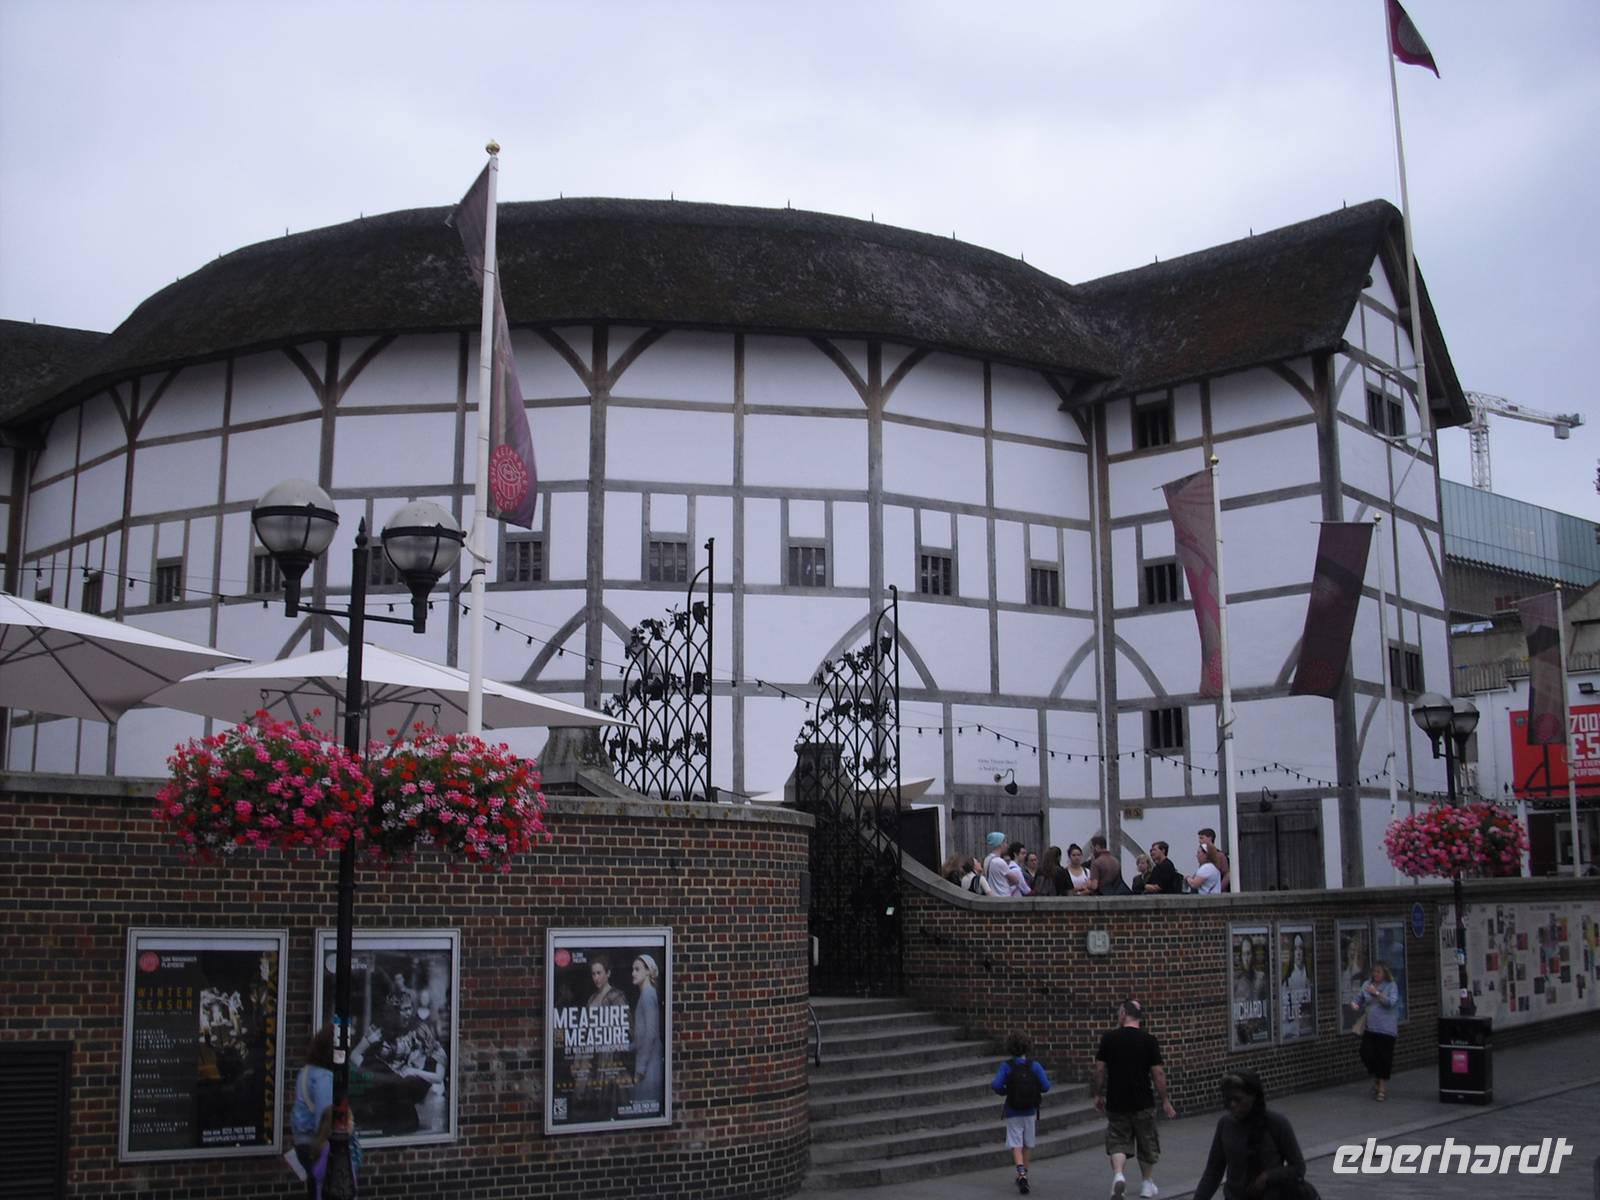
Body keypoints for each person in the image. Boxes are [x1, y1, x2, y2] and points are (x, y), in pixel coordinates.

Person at [1094, 998, 1176, 1199]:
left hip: (1116, 1100)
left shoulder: (1109, 1038)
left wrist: (1098, 1093)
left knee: (1118, 1142)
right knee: (1146, 1142)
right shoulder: (1149, 1040)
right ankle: (1147, 1184)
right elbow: (1158, 1074)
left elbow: (1100, 1069)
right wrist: (1165, 1100)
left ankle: (1119, 1176)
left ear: (1123, 1014)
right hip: (1143, 1101)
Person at [1192, 1070, 1306, 1200]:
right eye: (1228, 1100)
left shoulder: (1276, 1124)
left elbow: (1298, 1167)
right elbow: (1213, 1171)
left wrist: (1268, 1177)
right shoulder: (1225, 1125)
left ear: (1253, 1097)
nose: (1232, 1105)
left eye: (1238, 1100)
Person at [991, 1032, 1051, 1195]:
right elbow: (1046, 1086)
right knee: (1027, 1143)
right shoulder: (1034, 1065)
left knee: (1015, 1142)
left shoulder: (1007, 1066)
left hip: (1013, 1109)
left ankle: (1021, 1174)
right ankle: (1024, 1174)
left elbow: (996, 1085)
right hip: (1030, 1110)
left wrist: (1005, 1091)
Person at [290, 1024, 336, 1200]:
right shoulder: (325, 1077)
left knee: (314, 1189)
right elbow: (325, 1119)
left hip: (301, 1142)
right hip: (316, 1144)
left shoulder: (306, 1072)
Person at [1350, 960, 1400, 1101]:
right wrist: (1355, 1004)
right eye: (1374, 972)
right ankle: (1377, 1077)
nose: (1376, 974)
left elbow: (1391, 1002)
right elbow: (1359, 999)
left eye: (1379, 972)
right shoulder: (1367, 984)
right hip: (1371, 1027)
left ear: (1385, 973)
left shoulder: (1391, 986)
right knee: (1366, 1053)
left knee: (1384, 1057)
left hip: (1386, 1028)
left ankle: (1381, 1087)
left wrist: (1377, 993)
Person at [629, 954, 664, 1114]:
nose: (633, 973)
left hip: (648, 1064)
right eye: (632, 969)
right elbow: (642, 1034)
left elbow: (650, 1033)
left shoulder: (648, 995)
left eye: (637, 969)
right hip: (646, 1060)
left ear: (648, 972)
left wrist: (641, 1069)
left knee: (644, 1106)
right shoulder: (646, 995)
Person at [1231, 936, 1268, 1047]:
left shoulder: (1261, 979)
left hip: (1259, 1036)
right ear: (1241, 957)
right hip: (1242, 1038)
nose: (1247, 959)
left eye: (1249, 953)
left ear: (1253, 955)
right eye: (1244, 954)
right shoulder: (1236, 983)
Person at [1279, 934, 1311, 1040]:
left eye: (1300, 948)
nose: (1298, 953)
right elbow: (1284, 1018)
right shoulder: (1287, 982)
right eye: (1295, 948)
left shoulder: (1310, 978)